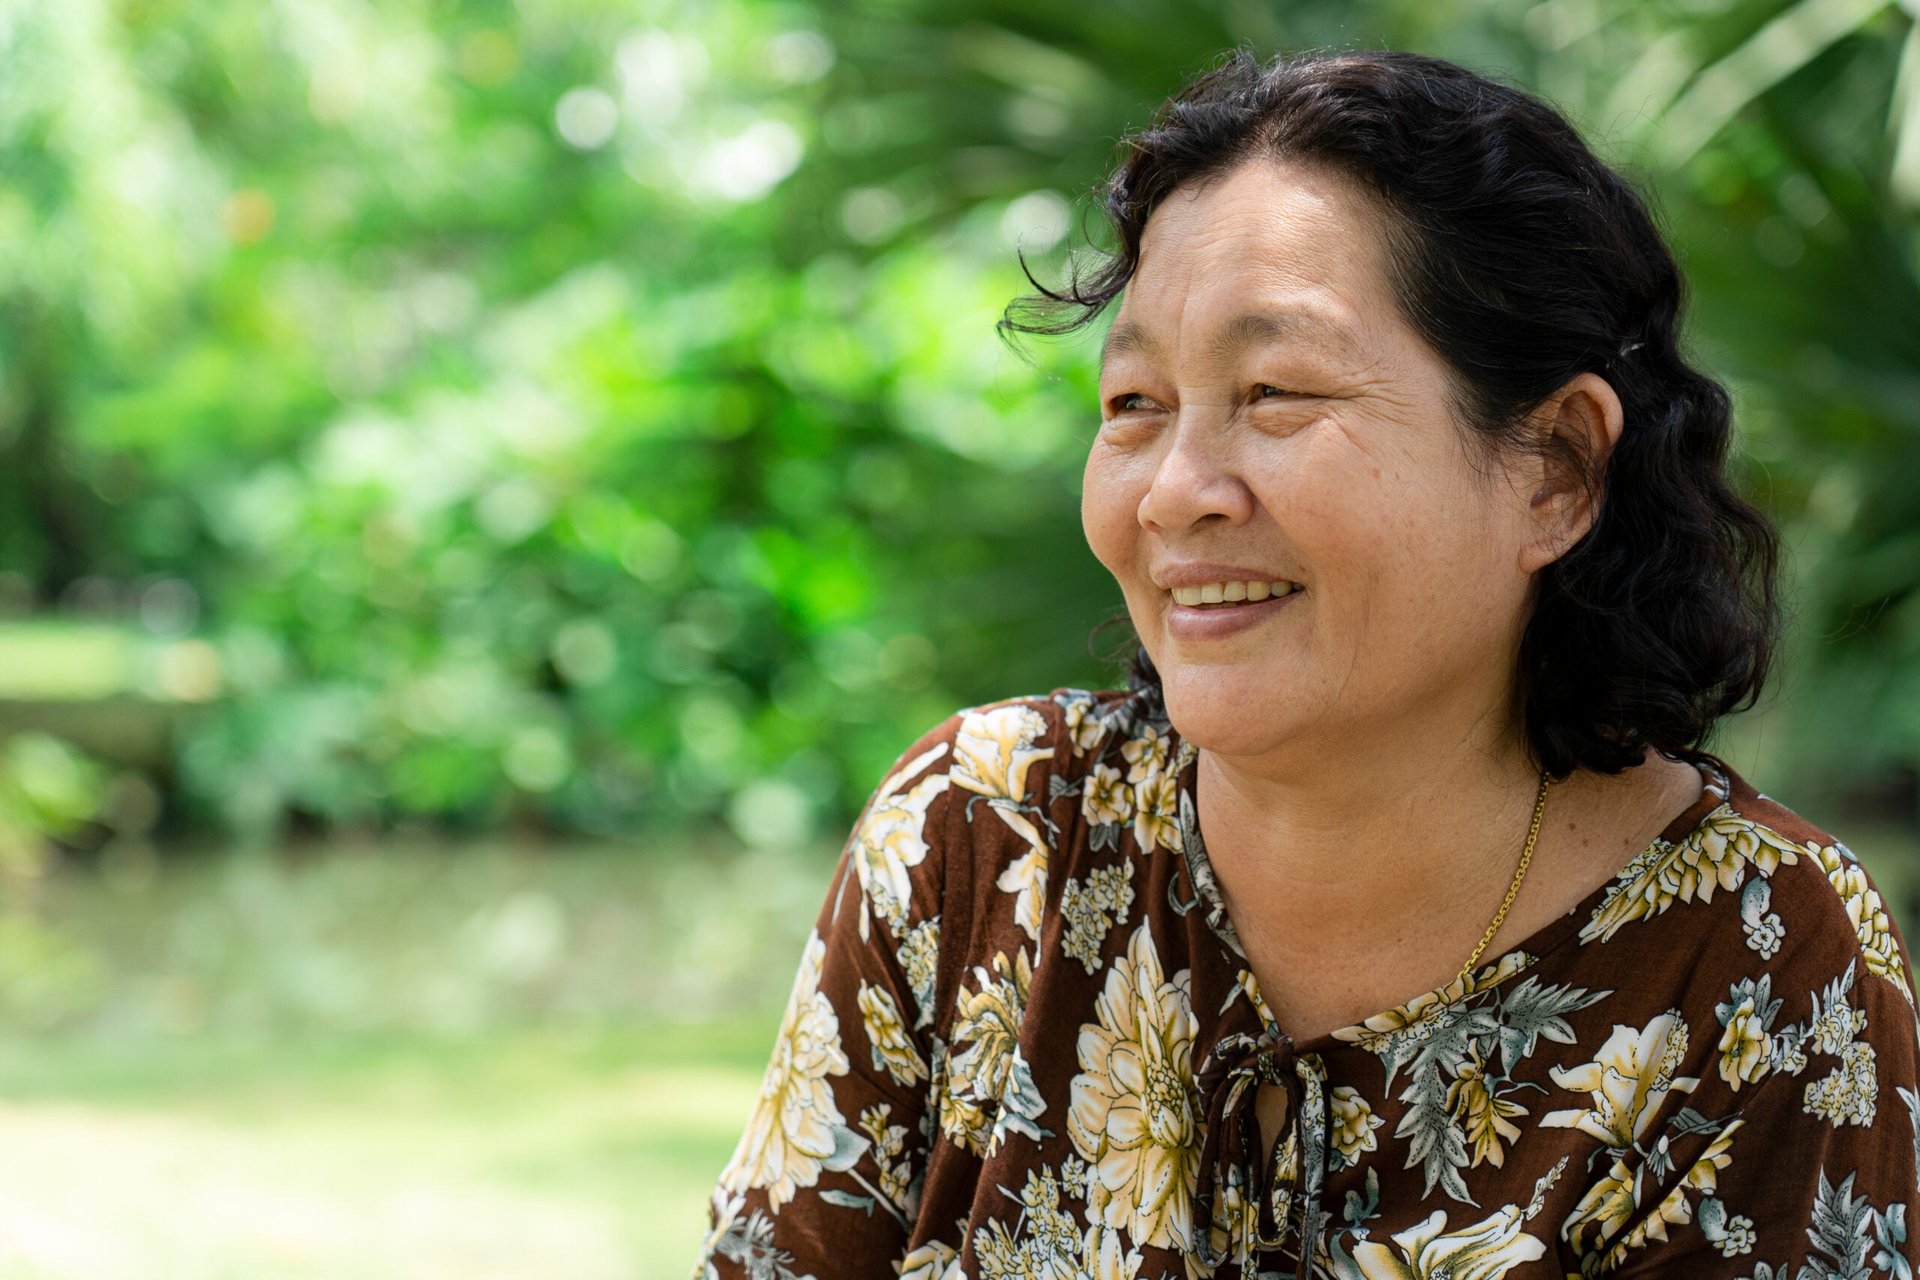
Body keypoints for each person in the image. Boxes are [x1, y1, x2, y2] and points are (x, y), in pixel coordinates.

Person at [692, 47, 1920, 1280]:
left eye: (1275, 390)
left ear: (1555, 467)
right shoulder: (985, 835)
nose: (1175, 491)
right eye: (1135, 402)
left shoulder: (1758, 961)